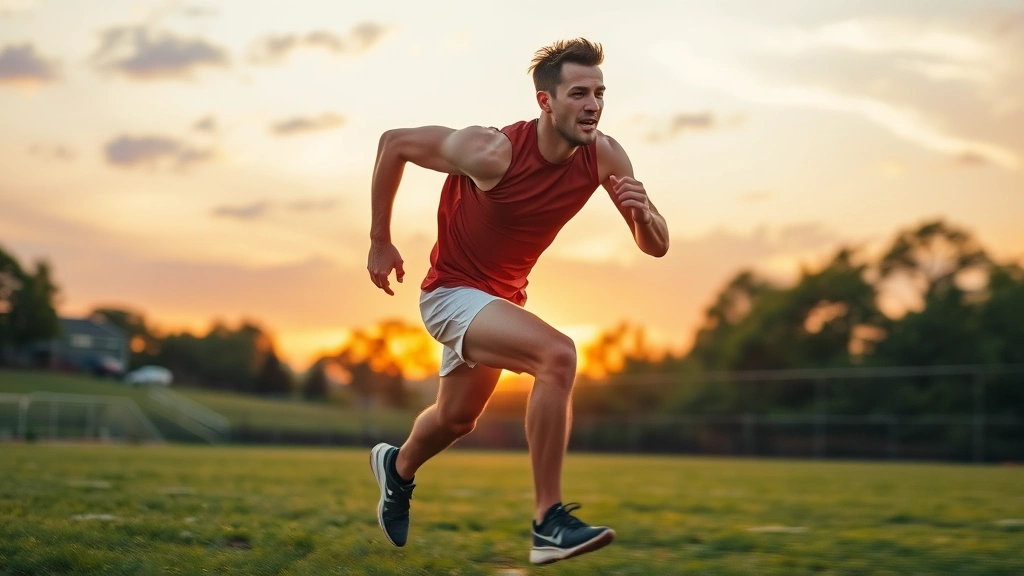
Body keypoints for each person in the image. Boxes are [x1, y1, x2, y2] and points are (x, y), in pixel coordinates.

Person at [366, 38, 669, 565]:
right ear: (545, 101)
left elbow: (657, 246)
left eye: (599, 93)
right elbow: (394, 143)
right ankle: (548, 521)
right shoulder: (491, 151)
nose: (593, 104)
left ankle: (397, 468)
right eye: (578, 93)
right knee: (558, 354)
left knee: (457, 419)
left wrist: (644, 215)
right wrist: (379, 239)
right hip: (451, 293)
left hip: (500, 300)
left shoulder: (606, 156)